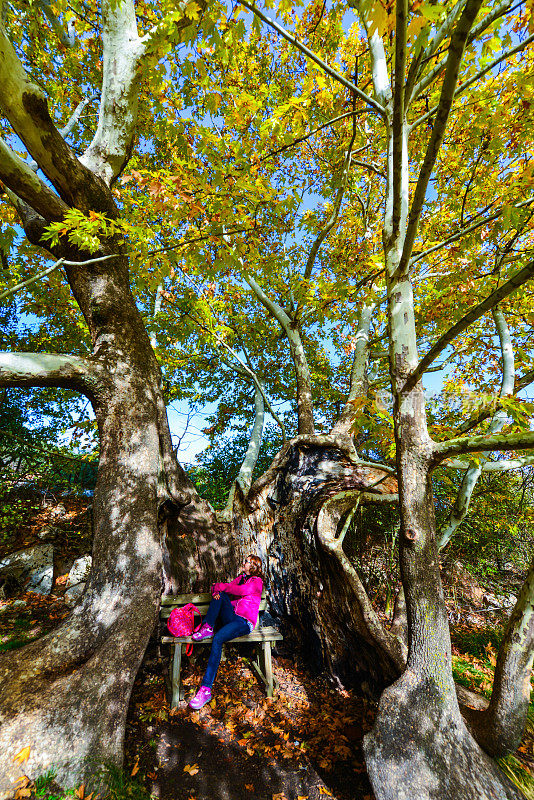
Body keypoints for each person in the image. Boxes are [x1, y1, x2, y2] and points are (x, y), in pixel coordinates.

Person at [188, 554, 264, 710]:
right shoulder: (240, 578)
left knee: (218, 639)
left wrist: (220, 586)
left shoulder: (257, 582)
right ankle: (207, 627)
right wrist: (217, 589)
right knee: (220, 595)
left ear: (253, 566)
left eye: (246, 561)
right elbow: (226, 589)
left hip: (244, 622)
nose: (243, 563)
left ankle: (206, 689)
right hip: (231, 617)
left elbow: (240, 590)